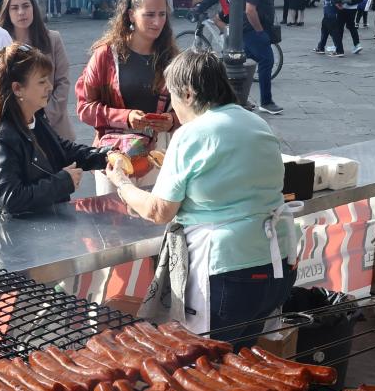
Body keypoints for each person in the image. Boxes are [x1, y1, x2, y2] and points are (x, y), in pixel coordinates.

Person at [106, 49, 298, 344]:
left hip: (227, 270)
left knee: (210, 364)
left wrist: (122, 184)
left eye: (172, 97)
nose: (172, 107)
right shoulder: (256, 123)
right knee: (244, 361)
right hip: (275, 265)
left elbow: (159, 211)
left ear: (188, 94)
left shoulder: (191, 135)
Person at [0, 45, 109, 216]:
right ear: (17, 89)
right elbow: (11, 198)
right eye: (41, 81)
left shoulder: (35, 118)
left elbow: (63, 150)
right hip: (17, 239)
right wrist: (62, 182)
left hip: (46, 230)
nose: (50, 86)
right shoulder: (1, 138)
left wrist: (106, 156)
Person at [75, 0, 180, 191]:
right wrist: (126, 118)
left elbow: (191, 108)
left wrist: (171, 120)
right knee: (111, 221)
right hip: (114, 157)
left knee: (153, 221)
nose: (157, 22)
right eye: (149, 15)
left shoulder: (173, 59)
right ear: (131, 15)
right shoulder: (105, 55)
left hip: (157, 157)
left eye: (162, 14)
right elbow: (84, 108)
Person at [0, 0, 75, 138]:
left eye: (26, 6)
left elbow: (63, 81)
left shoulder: (52, 39)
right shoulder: (1, 43)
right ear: (7, 12)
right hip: (15, 124)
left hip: (52, 123)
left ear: (33, 8)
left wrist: (46, 112)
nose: (21, 12)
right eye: (15, 8)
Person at [243, 0, 284, 116]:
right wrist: (260, 31)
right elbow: (250, 10)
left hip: (252, 30)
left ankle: (236, 98)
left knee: (239, 60)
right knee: (267, 60)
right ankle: (266, 102)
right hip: (253, 30)